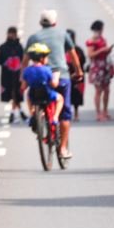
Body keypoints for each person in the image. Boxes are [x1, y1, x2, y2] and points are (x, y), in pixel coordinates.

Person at [23, 10, 82, 159]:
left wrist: (23, 81)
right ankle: (62, 149)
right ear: (55, 22)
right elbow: (73, 55)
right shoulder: (63, 34)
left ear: (40, 23)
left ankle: (38, 115)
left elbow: (24, 61)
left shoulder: (33, 38)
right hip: (61, 76)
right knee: (65, 114)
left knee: (36, 96)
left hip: (38, 79)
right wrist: (79, 72)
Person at [22, 43, 64, 127]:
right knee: (60, 99)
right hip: (47, 95)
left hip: (33, 95)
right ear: (42, 58)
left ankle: (32, 114)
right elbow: (54, 84)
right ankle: (55, 117)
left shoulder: (27, 70)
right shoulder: (47, 70)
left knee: (28, 96)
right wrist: (57, 76)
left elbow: (23, 87)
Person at [0, 26, 26, 123]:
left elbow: (24, 60)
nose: (11, 35)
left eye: (13, 33)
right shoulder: (3, 47)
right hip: (7, 75)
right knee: (11, 94)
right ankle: (18, 112)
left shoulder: (19, 47)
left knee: (16, 94)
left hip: (18, 75)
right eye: (9, 33)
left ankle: (15, 113)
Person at [86, 20, 114, 122]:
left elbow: (105, 53)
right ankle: (98, 113)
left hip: (104, 65)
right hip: (97, 66)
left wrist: (107, 51)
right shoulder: (92, 41)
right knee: (98, 90)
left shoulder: (102, 39)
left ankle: (105, 111)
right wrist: (102, 50)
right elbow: (90, 55)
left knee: (106, 90)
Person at [66, 29, 86, 122]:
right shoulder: (62, 49)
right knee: (66, 93)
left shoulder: (78, 50)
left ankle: (76, 113)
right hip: (66, 74)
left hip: (77, 75)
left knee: (77, 95)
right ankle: (67, 111)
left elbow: (83, 61)